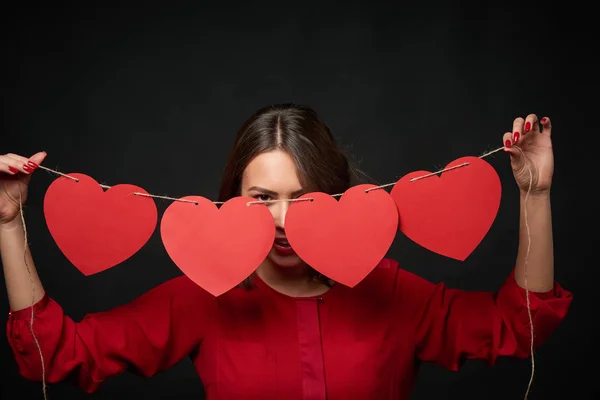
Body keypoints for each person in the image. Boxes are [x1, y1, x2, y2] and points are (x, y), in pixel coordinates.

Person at [1, 104, 572, 399]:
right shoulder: (205, 299)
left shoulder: (390, 291)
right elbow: (54, 356)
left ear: (339, 198)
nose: (280, 220)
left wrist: (534, 195)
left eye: (303, 199)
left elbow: (518, 326)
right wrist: (7, 223)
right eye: (261, 198)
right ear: (232, 199)